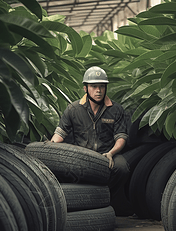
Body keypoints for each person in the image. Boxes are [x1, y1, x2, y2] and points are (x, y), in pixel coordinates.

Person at [50, 66, 130, 206]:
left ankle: (107, 200)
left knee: (122, 167)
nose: (98, 90)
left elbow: (121, 138)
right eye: (93, 86)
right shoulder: (73, 109)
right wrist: (48, 148)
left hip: (107, 154)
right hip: (81, 155)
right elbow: (59, 134)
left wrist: (111, 153)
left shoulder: (116, 110)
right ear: (85, 88)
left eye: (101, 86)